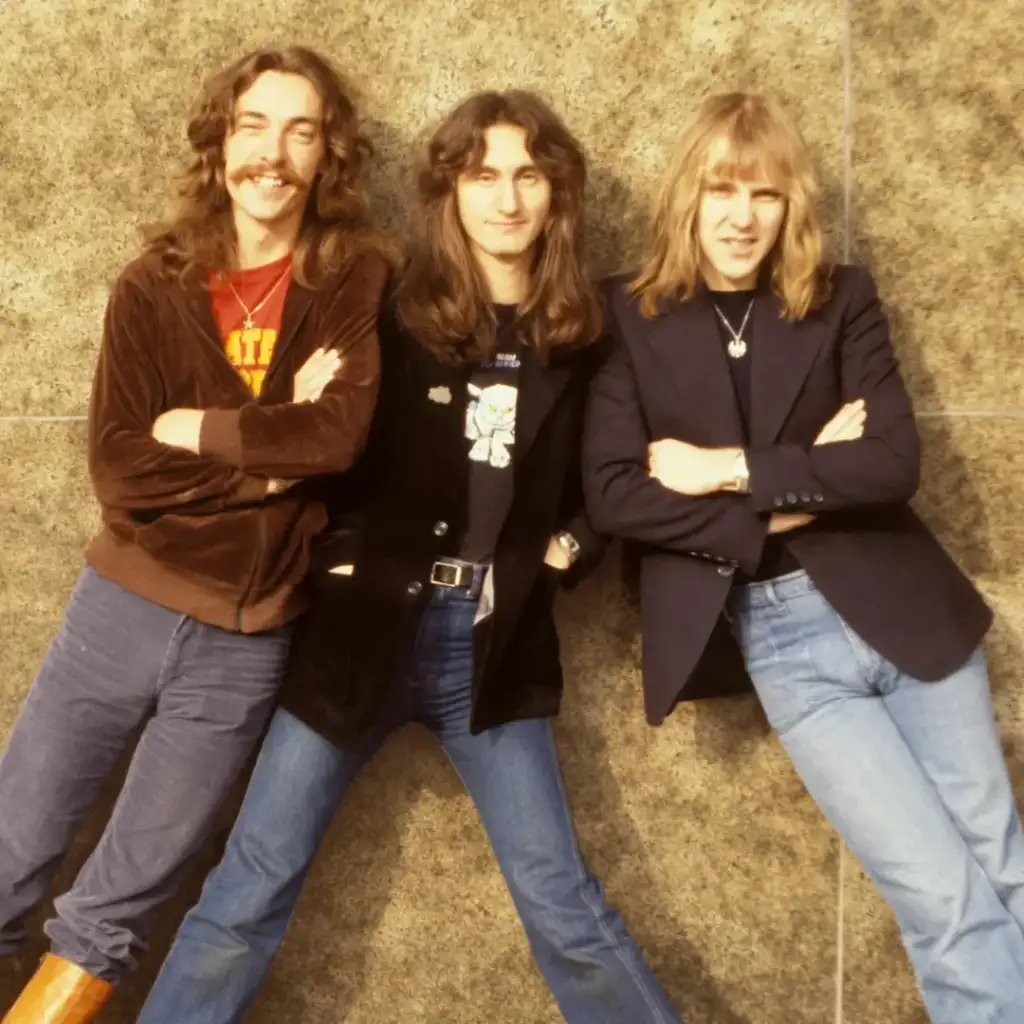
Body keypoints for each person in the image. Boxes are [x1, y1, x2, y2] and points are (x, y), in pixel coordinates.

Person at [137, 89, 681, 1024]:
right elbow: (324, 442)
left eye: (527, 176)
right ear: (450, 193)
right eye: (482, 177)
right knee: (247, 892)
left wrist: (569, 552)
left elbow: (619, 476)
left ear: (556, 194)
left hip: (492, 648)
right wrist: (331, 534)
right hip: (360, 633)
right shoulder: (391, 309)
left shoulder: (586, 337)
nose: (506, 199)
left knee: (564, 905)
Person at [582, 90, 1024, 1024]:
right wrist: (787, 501)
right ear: (686, 199)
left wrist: (721, 469)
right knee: (938, 896)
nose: (742, 217)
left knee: (1002, 861)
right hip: (783, 643)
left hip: (908, 615)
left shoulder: (841, 299)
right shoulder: (627, 315)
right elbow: (616, 491)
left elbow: (890, 463)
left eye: (766, 194)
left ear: (793, 207)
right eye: (721, 190)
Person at [0, 45, 388, 1024]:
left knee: (113, 912)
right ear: (219, 144)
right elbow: (121, 468)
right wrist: (271, 459)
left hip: (241, 645)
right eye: (254, 125)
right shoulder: (152, 285)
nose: (274, 152)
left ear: (326, 153)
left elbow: (337, 437)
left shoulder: (352, 278)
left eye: (300, 130)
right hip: (117, 611)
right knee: (6, 858)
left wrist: (205, 433)